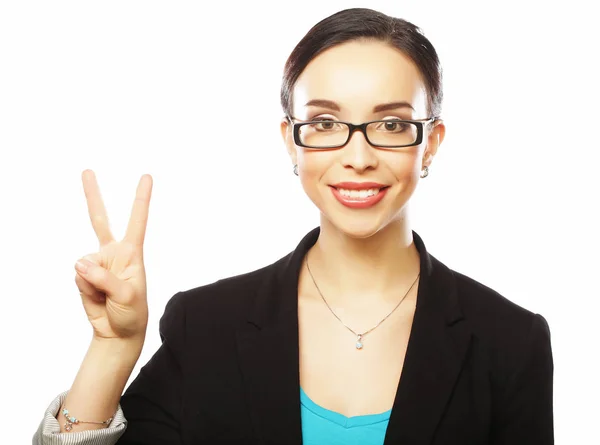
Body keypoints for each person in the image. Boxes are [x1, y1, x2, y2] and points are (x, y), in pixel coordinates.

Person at [33, 7, 554, 445]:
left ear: (431, 143)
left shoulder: (510, 343)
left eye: (391, 124)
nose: (358, 155)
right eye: (325, 123)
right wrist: (113, 348)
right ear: (291, 141)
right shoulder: (206, 326)